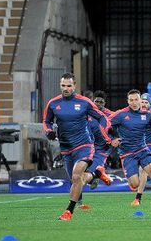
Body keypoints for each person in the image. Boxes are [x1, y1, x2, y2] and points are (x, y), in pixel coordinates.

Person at [42, 73, 112, 221]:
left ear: (74, 86)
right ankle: (95, 174)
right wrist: (48, 131)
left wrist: (105, 133)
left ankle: (69, 211)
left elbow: (102, 117)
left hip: (84, 145)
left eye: (69, 86)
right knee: (76, 180)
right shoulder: (53, 103)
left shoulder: (85, 102)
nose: (66, 88)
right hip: (66, 148)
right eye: (63, 86)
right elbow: (46, 121)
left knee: (76, 176)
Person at [109, 89, 151, 213]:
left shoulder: (148, 115)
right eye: (131, 100)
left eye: (136, 100)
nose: (134, 102)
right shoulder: (120, 114)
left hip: (142, 149)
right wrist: (111, 139)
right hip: (127, 153)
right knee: (135, 184)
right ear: (128, 101)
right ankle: (136, 189)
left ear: (140, 101)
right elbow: (105, 125)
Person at [86, 90, 114, 191]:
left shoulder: (110, 115)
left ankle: (98, 174)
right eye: (96, 101)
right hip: (89, 145)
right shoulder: (87, 113)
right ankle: (99, 175)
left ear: (105, 103)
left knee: (90, 170)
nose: (98, 104)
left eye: (101, 102)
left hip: (104, 147)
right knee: (83, 170)